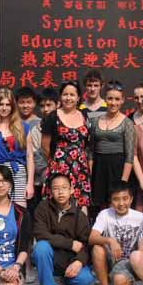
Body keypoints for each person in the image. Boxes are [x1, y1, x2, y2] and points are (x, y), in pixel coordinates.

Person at [33, 173, 96, 285]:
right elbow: (40, 234)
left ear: (71, 190)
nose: (60, 192)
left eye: (64, 187)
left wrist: (79, 262)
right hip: (51, 256)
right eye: (56, 188)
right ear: (50, 191)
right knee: (40, 247)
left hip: (70, 260)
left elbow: (86, 244)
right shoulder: (43, 208)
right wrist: (70, 243)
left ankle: (65, 282)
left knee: (85, 279)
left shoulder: (79, 215)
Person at [89, 180, 143, 285]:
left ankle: (116, 284)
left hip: (128, 262)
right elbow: (92, 237)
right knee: (97, 248)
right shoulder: (105, 214)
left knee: (120, 282)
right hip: (111, 259)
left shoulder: (141, 217)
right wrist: (110, 240)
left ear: (131, 199)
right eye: (116, 199)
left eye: (125, 198)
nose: (121, 203)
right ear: (110, 200)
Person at [41, 81, 92, 213]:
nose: (68, 98)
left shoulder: (83, 115)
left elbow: (86, 143)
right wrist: (55, 163)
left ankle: (81, 226)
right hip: (59, 167)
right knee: (59, 203)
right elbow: (45, 146)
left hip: (80, 168)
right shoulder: (53, 116)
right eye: (65, 94)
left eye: (72, 95)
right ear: (60, 96)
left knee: (81, 204)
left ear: (78, 97)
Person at [0, 88, 33, 207]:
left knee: (19, 212)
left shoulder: (24, 127)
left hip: (17, 173)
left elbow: (29, 157)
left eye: (8, 105)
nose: (4, 108)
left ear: (12, 106)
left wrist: (30, 183)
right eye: (1, 104)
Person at [88, 80, 136, 210]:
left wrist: (124, 181)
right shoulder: (95, 121)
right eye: (110, 98)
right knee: (99, 206)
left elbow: (130, 156)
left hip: (118, 168)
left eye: (117, 99)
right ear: (105, 99)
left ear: (122, 100)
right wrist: (90, 175)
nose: (113, 103)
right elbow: (91, 151)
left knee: (116, 204)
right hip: (99, 168)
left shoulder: (127, 123)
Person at [27, 87, 58, 209]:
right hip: (41, 181)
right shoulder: (35, 130)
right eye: (42, 106)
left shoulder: (65, 127)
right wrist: (50, 174)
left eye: (49, 105)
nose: (45, 109)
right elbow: (35, 156)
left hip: (65, 179)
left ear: (57, 104)